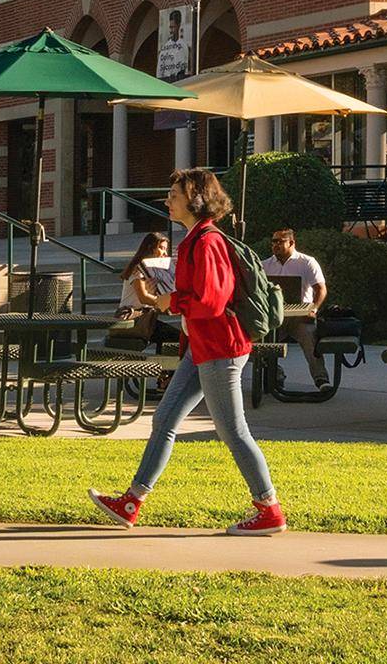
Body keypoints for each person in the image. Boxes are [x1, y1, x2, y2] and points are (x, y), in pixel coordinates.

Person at [88, 168, 286, 536]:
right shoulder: (195, 238)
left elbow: (211, 302)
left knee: (233, 431)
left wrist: (170, 300)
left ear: (196, 199)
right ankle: (131, 503)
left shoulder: (207, 242)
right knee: (164, 420)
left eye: (175, 194)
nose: (168, 200)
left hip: (220, 349)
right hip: (203, 347)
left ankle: (269, 508)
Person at [262, 228, 330, 390]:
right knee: (260, 345)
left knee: (310, 338)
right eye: (273, 241)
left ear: (291, 243)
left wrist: (313, 309)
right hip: (275, 318)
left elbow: (321, 289)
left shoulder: (307, 262)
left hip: (300, 316)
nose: (275, 245)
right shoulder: (264, 265)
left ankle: (321, 379)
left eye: (280, 241)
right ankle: (276, 375)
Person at [156, 10, 189, 84]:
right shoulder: (165, 48)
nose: (171, 30)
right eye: (170, 27)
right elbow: (159, 70)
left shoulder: (184, 46)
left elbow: (186, 68)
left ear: (179, 26)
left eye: (173, 27)